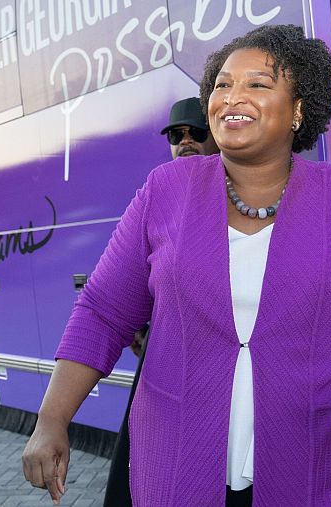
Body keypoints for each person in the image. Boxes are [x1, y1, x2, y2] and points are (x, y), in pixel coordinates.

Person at [23, 24, 331, 506]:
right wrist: (51, 419)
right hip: (180, 472)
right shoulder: (166, 190)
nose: (232, 97)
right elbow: (102, 312)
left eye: (258, 84)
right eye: (222, 84)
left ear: (299, 109)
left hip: (321, 472)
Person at [102, 97, 221, 507]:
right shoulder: (157, 197)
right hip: (167, 370)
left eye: (196, 132)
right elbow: (110, 297)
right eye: (176, 135)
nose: (185, 141)